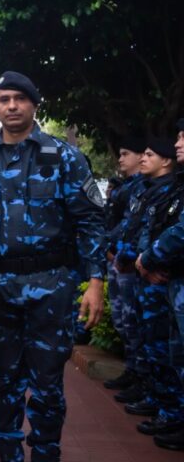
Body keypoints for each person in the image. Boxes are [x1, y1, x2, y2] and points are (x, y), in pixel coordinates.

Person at [0, 71, 105, 461]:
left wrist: (95, 282)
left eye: (19, 99)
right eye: (3, 99)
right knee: (4, 379)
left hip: (51, 284)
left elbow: (90, 221)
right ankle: (8, 452)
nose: (11, 106)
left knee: (47, 382)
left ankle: (45, 453)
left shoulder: (64, 157)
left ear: (34, 105)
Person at [137, 119, 184, 451]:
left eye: (183, 137)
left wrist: (148, 258)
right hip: (168, 278)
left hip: (165, 275)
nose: (178, 143)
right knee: (172, 353)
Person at [103, 137, 147, 394]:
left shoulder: (144, 187)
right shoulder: (128, 186)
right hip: (119, 258)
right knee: (124, 321)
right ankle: (133, 371)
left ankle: (143, 378)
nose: (120, 159)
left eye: (125, 153)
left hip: (131, 261)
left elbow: (133, 224)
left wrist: (118, 251)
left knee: (136, 322)